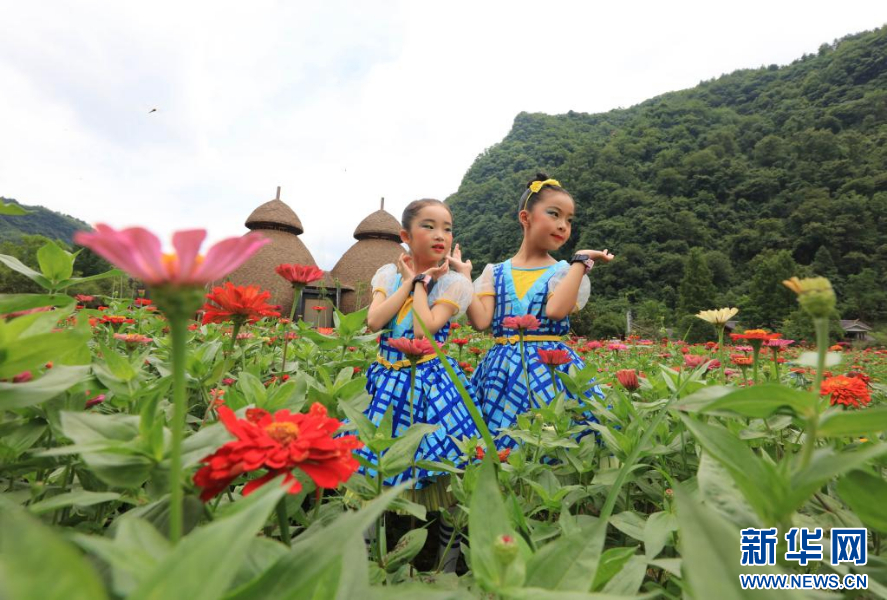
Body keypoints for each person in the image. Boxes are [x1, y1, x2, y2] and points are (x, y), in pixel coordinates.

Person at [357, 198, 477, 571]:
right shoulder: (385, 275)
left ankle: (446, 564)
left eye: (447, 227)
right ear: (406, 236)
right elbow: (375, 321)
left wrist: (423, 286)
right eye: (429, 226)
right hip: (387, 379)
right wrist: (409, 281)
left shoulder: (455, 283)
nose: (440, 235)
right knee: (372, 464)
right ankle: (363, 558)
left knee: (444, 467)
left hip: (432, 381)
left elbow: (428, 327)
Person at [453, 173, 614, 450]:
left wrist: (580, 262)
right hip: (500, 374)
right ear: (525, 218)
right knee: (502, 439)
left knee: (552, 438)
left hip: (550, 368)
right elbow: (481, 322)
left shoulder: (564, 270)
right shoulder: (495, 272)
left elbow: (556, 311)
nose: (563, 226)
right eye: (554, 214)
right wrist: (465, 276)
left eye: (569, 220)